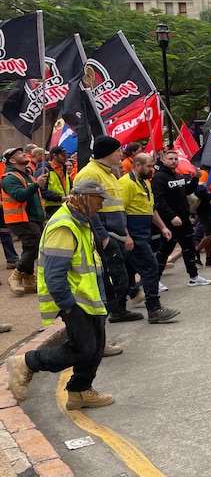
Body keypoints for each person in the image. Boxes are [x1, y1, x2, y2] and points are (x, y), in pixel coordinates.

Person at [7, 179, 116, 410]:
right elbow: (55, 274)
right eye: (99, 200)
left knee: (96, 346)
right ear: (84, 198)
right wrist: (67, 305)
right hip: (75, 299)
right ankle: (26, 362)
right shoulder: (64, 226)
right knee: (83, 348)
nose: (101, 206)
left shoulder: (81, 221)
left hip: (89, 296)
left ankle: (80, 391)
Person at [74, 136, 142, 323]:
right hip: (105, 235)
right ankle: (110, 315)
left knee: (123, 275)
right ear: (107, 152)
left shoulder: (110, 174)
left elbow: (118, 207)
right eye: (118, 151)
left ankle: (120, 310)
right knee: (115, 277)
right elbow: (86, 207)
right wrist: (102, 236)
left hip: (117, 234)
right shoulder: (89, 174)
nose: (121, 154)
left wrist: (125, 233)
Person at [117, 153, 180, 324]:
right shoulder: (126, 184)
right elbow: (119, 212)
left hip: (143, 232)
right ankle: (154, 309)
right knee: (151, 267)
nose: (152, 169)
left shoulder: (145, 183)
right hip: (134, 234)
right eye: (149, 166)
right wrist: (127, 236)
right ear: (137, 165)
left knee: (128, 272)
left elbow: (151, 208)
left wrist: (163, 227)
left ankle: (117, 310)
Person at [152, 150, 211, 287]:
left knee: (189, 248)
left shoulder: (177, 175)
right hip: (170, 221)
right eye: (171, 159)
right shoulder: (159, 178)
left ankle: (194, 277)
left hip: (184, 220)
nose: (174, 161)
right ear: (163, 160)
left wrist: (196, 178)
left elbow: (186, 191)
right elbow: (159, 201)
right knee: (164, 251)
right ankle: (155, 281)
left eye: (175, 158)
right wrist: (171, 216)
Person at [1, 147, 47, 296]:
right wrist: (36, 185)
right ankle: (17, 274)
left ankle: (28, 279)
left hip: (32, 218)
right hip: (20, 218)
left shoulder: (28, 175)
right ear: (12, 160)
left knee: (32, 247)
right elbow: (19, 196)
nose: (24, 154)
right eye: (20, 154)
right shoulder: (9, 178)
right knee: (33, 246)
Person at [38, 146, 72, 220]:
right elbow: (41, 189)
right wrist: (60, 198)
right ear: (54, 156)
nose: (65, 157)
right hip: (50, 208)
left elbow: (69, 186)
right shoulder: (45, 170)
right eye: (63, 155)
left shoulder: (64, 170)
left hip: (64, 205)